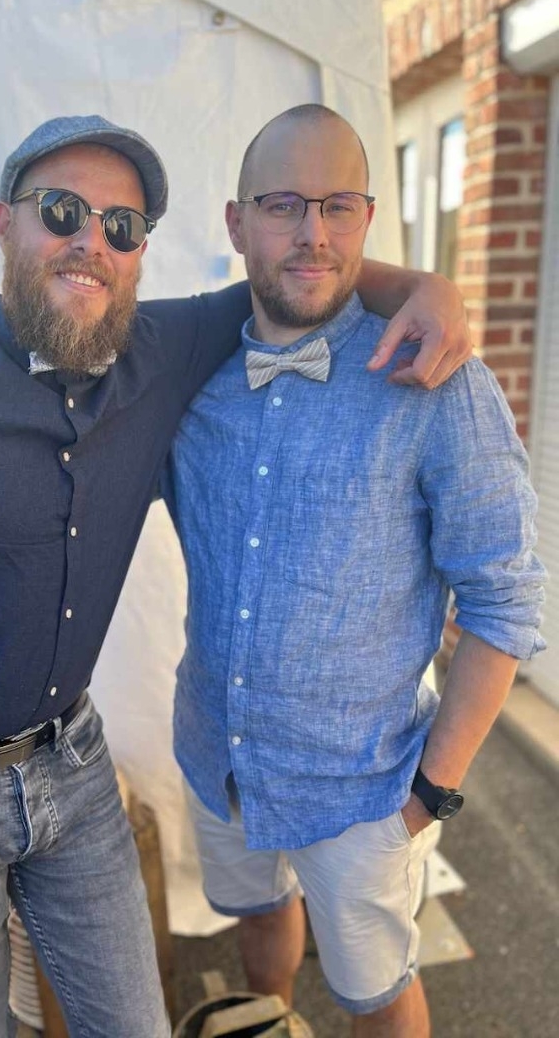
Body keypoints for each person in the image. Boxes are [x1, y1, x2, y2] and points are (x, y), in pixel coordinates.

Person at [0, 114, 471, 1038]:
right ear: (4, 223)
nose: (92, 241)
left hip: (72, 761)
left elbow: (294, 269)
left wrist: (425, 287)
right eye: (63, 211)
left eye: (122, 227)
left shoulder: (156, 351)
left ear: (138, 256)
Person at [164, 105, 546, 1038]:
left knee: (377, 989)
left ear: (368, 218)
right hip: (220, 751)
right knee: (260, 911)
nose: (314, 233)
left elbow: (504, 601)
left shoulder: (438, 380)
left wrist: (429, 797)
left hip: (363, 790)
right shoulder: (184, 375)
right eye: (284, 205)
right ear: (236, 222)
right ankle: (274, 1021)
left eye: (339, 205)